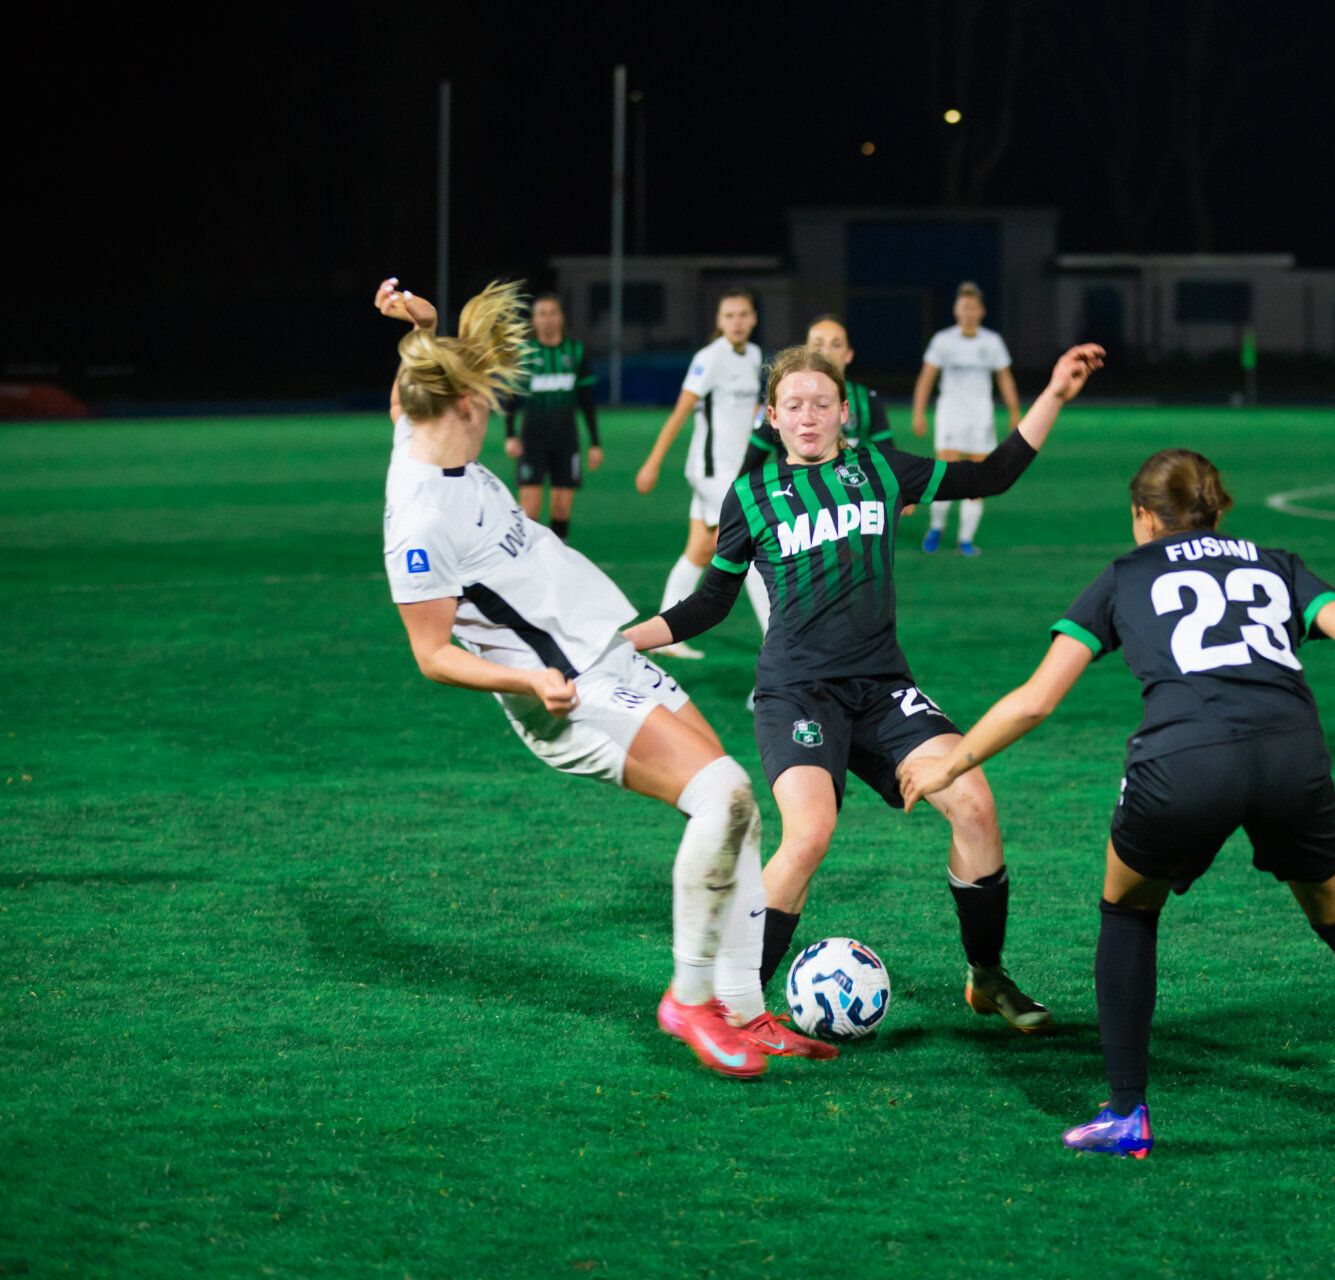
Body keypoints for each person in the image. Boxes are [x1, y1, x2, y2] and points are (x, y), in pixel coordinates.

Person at [900, 449, 1335, 1157]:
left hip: (1186, 761)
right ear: (1216, 509)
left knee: (1127, 908)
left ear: (1143, 516)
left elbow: (1036, 700)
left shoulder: (1126, 574)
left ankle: (1127, 1113)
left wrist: (955, 760)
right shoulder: (1275, 562)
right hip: (1291, 753)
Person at [373, 276, 833, 1076]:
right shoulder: (418, 521)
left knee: (738, 812)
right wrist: (528, 686)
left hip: (607, 650)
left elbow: (413, 381)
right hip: (567, 689)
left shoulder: (417, 426)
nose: (492, 410)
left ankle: (749, 1012)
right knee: (721, 794)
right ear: (460, 410)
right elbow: (431, 653)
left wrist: (423, 324)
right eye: (483, 400)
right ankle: (689, 1000)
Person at [623, 341, 1108, 1031]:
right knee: (811, 833)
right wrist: (624, 640)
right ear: (773, 416)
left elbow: (993, 476)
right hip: (797, 692)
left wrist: (1055, 391)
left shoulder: (882, 469)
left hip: (882, 688)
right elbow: (709, 605)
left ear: (843, 411)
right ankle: (737, 1007)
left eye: (822, 403)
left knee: (973, 802)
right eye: (794, 405)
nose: (809, 416)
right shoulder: (752, 495)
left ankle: (988, 975)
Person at [634, 290, 772, 658]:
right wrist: (653, 461)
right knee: (756, 547)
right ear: (719, 322)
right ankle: (777, 640)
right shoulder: (709, 359)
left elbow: (752, 410)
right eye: (729, 315)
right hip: (712, 471)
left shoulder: (755, 356)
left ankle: (666, 633)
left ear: (754, 318)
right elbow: (680, 412)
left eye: (744, 314)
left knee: (699, 550)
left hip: (735, 470)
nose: (737, 322)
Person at [912, 282, 1021, 556]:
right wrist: (918, 412)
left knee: (979, 477)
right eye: (964, 307)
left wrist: (1014, 412)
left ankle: (965, 539)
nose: (969, 312)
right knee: (945, 474)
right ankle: (936, 528)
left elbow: (1004, 377)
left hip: (980, 418)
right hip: (951, 415)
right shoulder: (943, 340)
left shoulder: (992, 342)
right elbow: (927, 378)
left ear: (981, 311)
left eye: (973, 308)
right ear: (956, 311)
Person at [738, 314, 893, 472]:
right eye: (818, 344)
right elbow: (749, 466)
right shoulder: (781, 399)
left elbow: (889, 464)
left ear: (849, 354)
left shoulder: (866, 400)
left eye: (836, 345)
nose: (826, 352)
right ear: (805, 351)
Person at [503, 294, 600, 542]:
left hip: (566, 439)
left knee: (561, 509)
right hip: (532, 439)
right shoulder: (524, 353)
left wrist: (595, 443)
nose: (548, 319)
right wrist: (510, 434)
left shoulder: (575, 352)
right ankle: (527, 563)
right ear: (534, 320)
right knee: (530, 510)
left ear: (561, 317)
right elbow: (511, 397)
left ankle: (559, 560)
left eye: (552, 313)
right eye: (542, 314)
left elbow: (586, 401)